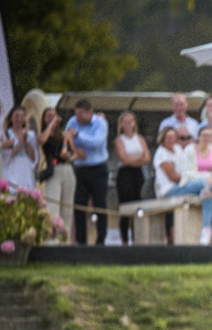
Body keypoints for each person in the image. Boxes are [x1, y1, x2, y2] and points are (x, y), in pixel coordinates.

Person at [153, 126, 212, 245]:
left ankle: (206, 229)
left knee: (207, 191)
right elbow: (174, 177)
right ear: (162, 138)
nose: (171, 139)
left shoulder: (178, 149)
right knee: (208, 181)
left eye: (173, 137)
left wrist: (203, 177)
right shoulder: (161, 153)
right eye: (168, 137)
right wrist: (206, 175)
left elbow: (186, 173)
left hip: (184, 185)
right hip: (169, 190)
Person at [65, 98, 109, 245]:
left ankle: (101, 240)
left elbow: (97, 142)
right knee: (79, 205)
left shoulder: (100, 123)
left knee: (100, 205)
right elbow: (66, 140)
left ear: (90, 112)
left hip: (98, 169)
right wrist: (76, 150)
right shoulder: (72, 122)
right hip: (80, 169)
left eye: (82, 114)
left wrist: (78, 135)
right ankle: (81, 241)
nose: (78, 118)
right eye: (77, 114)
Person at [114, 111, 150, 245]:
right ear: (121, 124)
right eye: (125, 122)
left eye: (130, 121)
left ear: (134, 123)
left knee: (138, 205)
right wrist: (138, 158)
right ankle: (124, 240)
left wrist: (133, 160)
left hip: (138, 174)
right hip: (125, 175)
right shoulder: (119, 140)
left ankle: (136, 239)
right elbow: (123, 159)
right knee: (125, 208)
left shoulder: (140, 139)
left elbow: (147, 157)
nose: (128, 124)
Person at [38, 107, 76, 236]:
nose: (51, 118)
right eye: (48, 115)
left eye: (53, 115)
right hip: (54, 170)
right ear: (44, 119)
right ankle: (52, 238)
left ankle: (65, 238)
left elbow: (75, 153)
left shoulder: (64, 135)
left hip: (67, 169)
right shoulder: (44, 133)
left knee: (67, 208)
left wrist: (70, 156)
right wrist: (51, 124)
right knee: (52, 206)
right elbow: (42, 140)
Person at [2, 106, 37, 189]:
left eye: (22, 116)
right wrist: (20, 142)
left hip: (25, 168)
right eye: (17, 116)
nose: (19, 119)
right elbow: (6, 155)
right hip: (11, 168)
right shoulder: (7, 134)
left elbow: (33, 157)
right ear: (11, 118)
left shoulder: (30, 134)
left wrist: (26, 142)